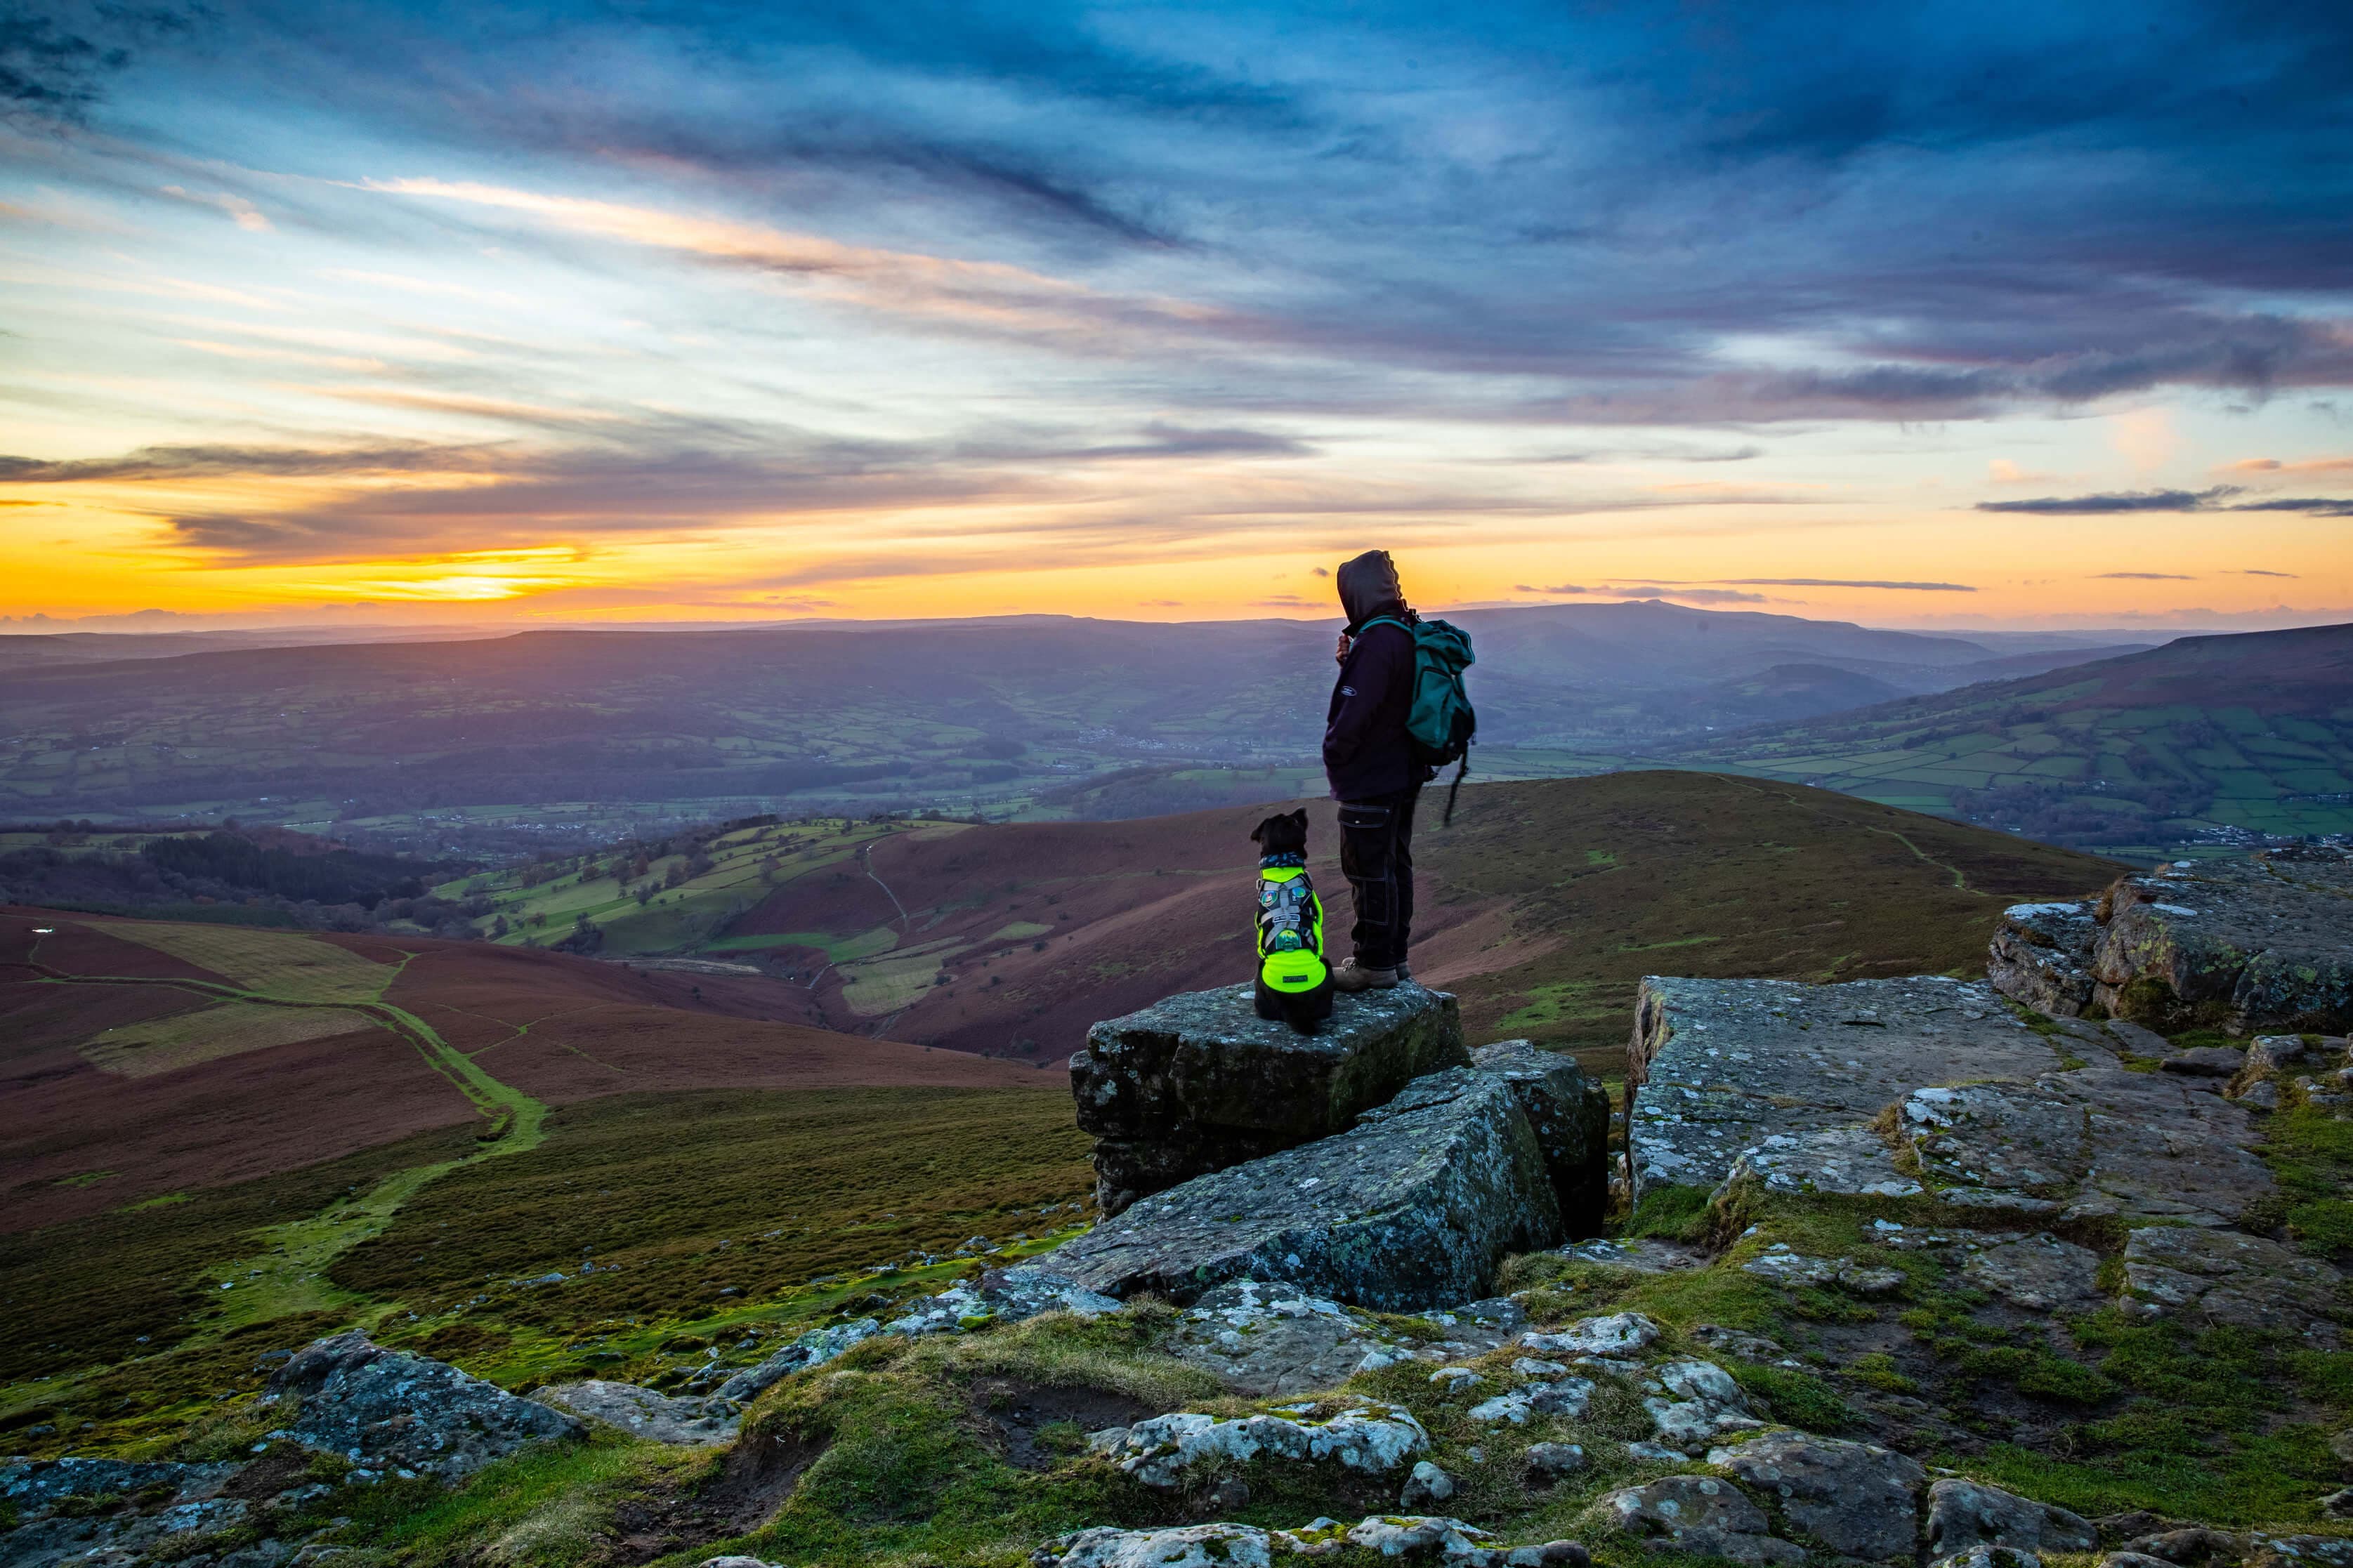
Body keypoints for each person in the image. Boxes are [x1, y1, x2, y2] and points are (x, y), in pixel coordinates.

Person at [1322, 549, 1433, 991]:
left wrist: (1334, 752)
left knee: (1367, 870)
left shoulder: (1376, 642)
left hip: (1372, 777)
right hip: (1404, 773)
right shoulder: (1406, 630)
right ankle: (1394, 958)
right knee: (1393, 864)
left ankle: (1373, 964)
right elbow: (1391, 697)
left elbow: (1354, 715)